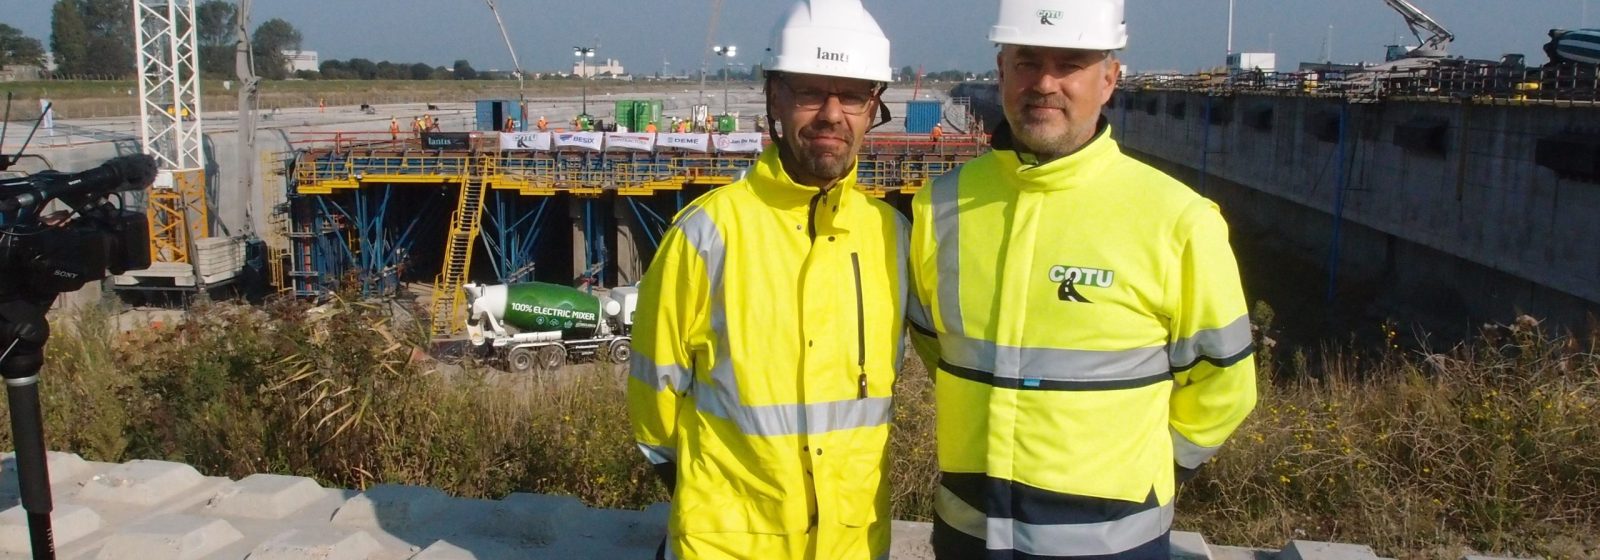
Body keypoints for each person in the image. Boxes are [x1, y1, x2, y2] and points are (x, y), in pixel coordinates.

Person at [906, 0, 1258, 558]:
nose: (1044, 83)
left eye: (1069, 63)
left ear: (1109, 80)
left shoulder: (1177, 220)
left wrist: (1146, 471)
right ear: (1000, 73)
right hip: (967, 533)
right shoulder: (940, 207)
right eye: (1027, 61)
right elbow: (937, 349)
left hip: (1113, 545)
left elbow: (1226, 385)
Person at [627, 0, 904, 558]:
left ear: (874, 106)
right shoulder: (708, 234)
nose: (831, 114)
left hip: (851, 546)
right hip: (727, 547)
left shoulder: (890, 237)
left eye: (851, 94)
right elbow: (654, 406)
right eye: (809, 91)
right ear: (773, 97)